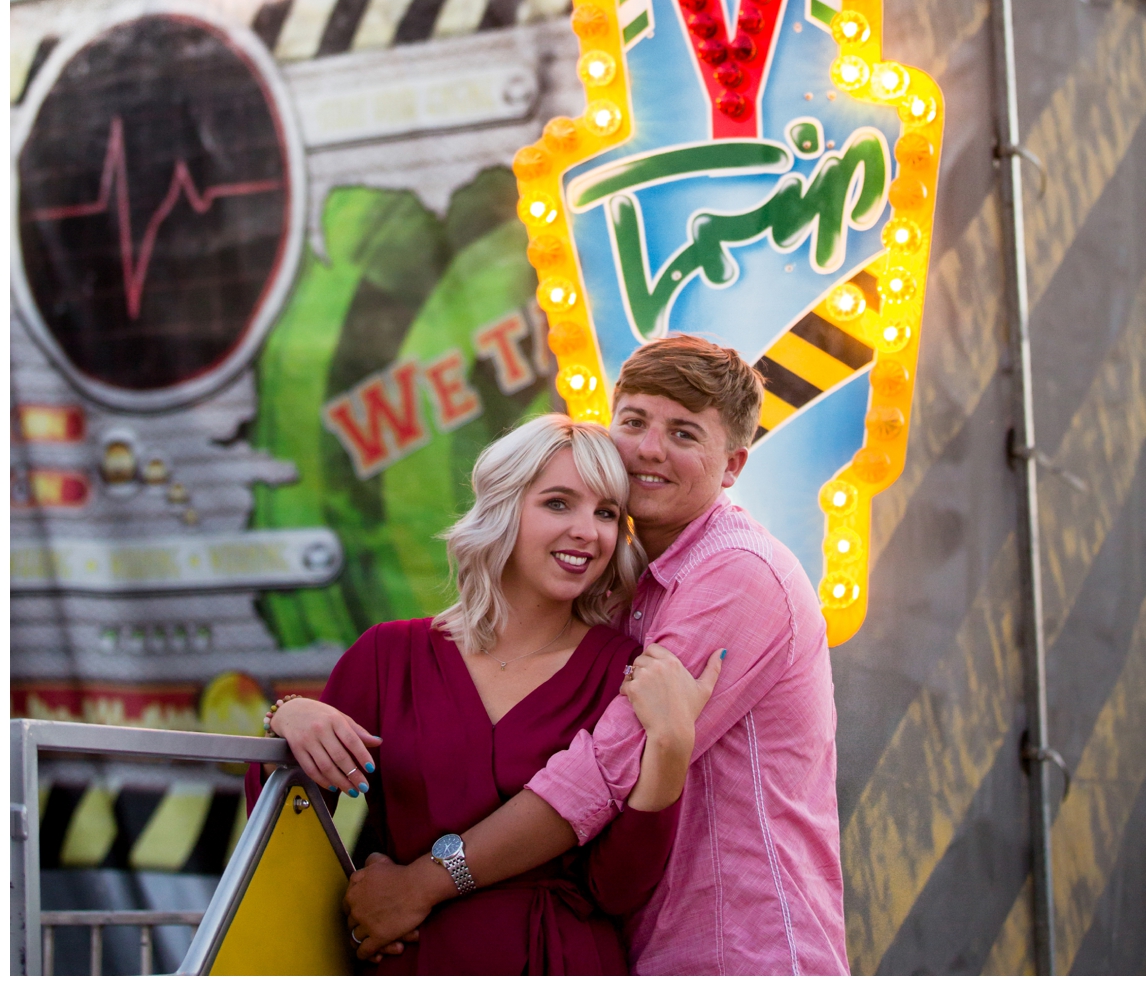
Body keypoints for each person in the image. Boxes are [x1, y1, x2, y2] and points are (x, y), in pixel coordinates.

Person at [344, 335, 846, 973]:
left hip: (740, 949)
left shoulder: (736, 574)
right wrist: (290, 715)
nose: (648, 449)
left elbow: (604, 774)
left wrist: (422, 886)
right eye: (634, 421)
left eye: (685, 434)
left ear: (733, 466)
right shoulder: (625, 594)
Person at [265, 415, 718, 971]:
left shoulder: (622, 670)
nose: (588, 531)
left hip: (560, 960)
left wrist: (671, 749)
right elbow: (281, 835)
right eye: (558, 503)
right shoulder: (388, 656)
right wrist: (287, 719)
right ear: (504, 509)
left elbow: (618, 888)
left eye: (606, 513)